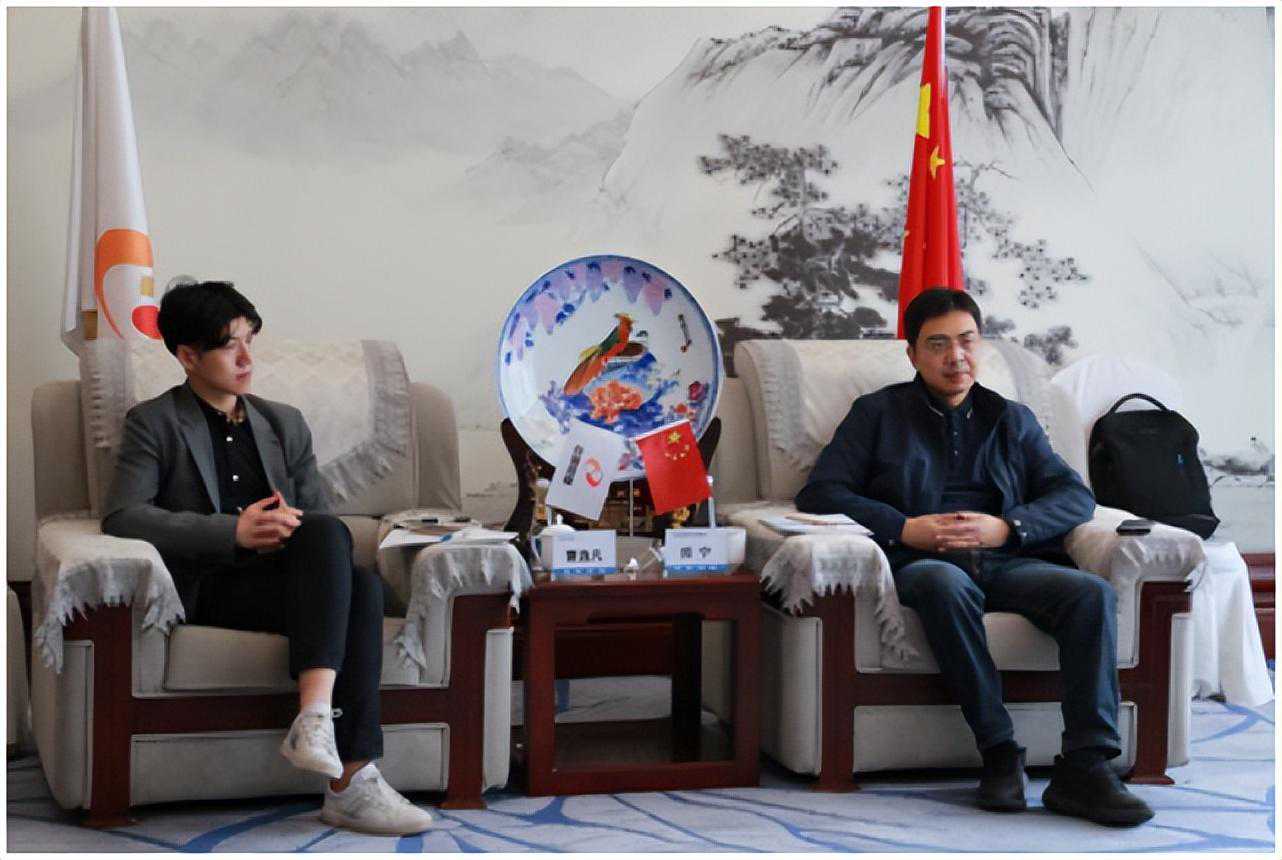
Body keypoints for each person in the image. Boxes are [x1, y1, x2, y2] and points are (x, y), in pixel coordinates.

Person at [796, 288, 1155, 827]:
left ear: (980, 345)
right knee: (946, 585)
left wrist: (1009, 527)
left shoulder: (1011, 418)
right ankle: (999, 751)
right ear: (912, 353)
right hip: (921, 563)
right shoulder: (878, 414)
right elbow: (821, 491)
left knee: (1090, 594)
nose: (955, 356)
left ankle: (1086, 767)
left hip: (1008, 560)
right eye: (937, 344)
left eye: (966, 341)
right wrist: (905, 527)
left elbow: (1073, 496)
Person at [101, 280, 432, 836]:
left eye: (250, 341)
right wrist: (234, 531)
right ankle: (349, 780)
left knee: (349, 566)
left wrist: (285, 528)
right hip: (213, 586)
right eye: (229, 345)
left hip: (288, 583)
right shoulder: (154, 422)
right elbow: (124, 516)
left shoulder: (284, 423)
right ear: (188, 356)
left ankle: (321, 729)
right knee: (362, 590)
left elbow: (319, 522)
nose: (247, 359)